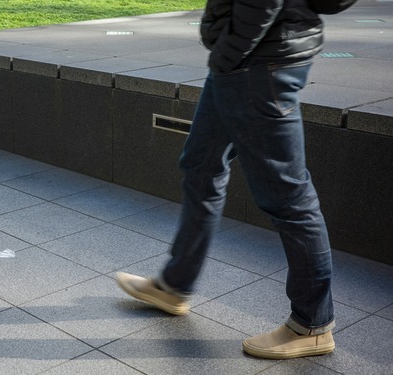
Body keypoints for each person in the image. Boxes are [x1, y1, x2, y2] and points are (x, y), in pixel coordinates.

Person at [115, 0, 336, 360]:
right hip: (247, 60)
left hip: (256, 63)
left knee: (288, 196)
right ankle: (174, 284)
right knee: (200, 164)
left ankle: (312, 325)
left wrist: (228, 52)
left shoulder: (244, 56)